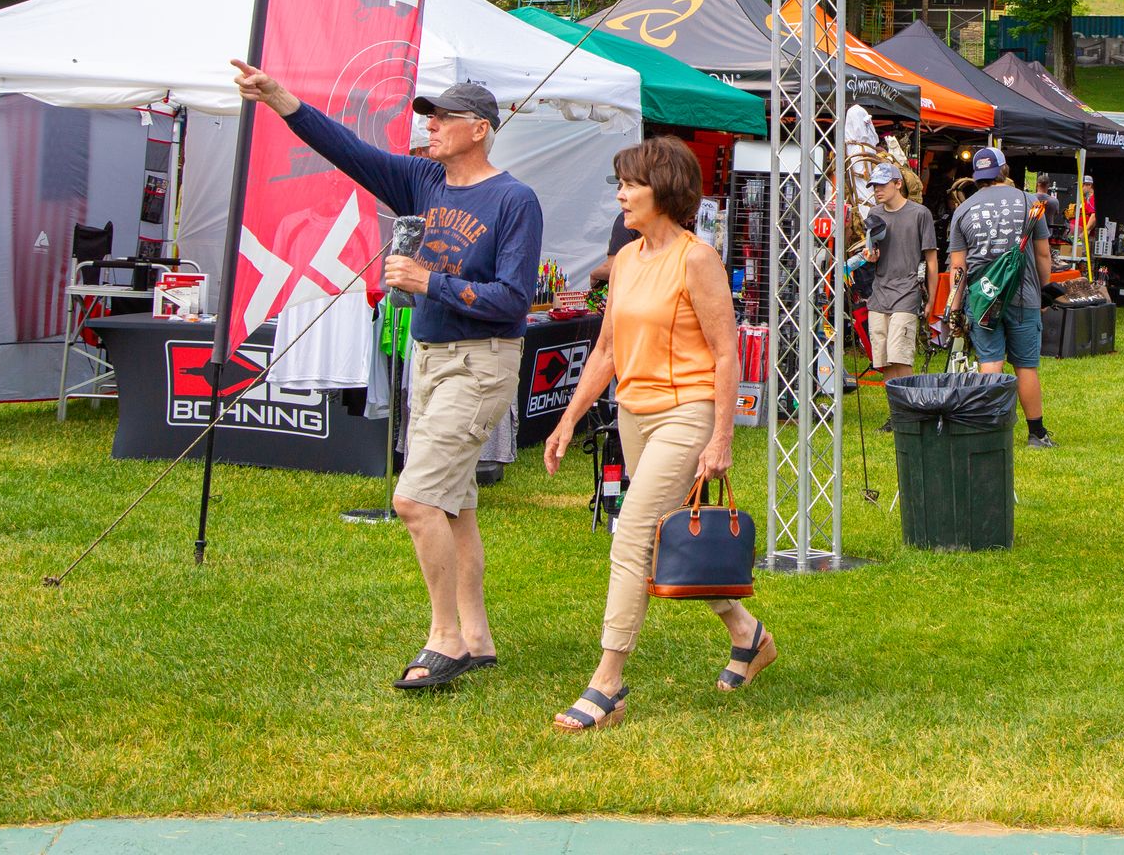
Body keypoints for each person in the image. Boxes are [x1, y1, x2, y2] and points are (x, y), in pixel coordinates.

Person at [231, 65, 542, 691]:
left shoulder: (514, 200)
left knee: (415, 499)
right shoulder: (425, 180)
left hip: (479, 361)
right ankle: (477, 638)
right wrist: (281, 100)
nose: (429, 125)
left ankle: (444, 639)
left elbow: (514, 299)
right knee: (455, 506)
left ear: (479, 130)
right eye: (429, 115)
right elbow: (349, 151)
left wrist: (432, 282)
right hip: (429, 356)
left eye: (443, 117)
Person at [543, 137, 771, 731]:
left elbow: (727, 355)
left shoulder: (697, 258)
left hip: (687, 412)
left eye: (631, 184)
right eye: (620, 182)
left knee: (632, 535)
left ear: (664, 191)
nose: (620, 194)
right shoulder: (624, 260)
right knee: (664, 544)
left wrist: (720, 437)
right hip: (633, 412)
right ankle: (748, 636)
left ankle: (608, 683)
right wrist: (568, 419)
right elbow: (607, 351)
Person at [948, 146, 1057, 447]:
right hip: (1025, 296)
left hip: (982, 299)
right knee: (1025, 365)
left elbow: (958, 268)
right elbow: (1043, 253)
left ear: (977, 176)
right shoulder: (1030, 202)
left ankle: (989, 430)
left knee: (990, 362)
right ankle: (1036, 433)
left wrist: (955, 310)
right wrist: (1044, 292)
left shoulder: (963, 210)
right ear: (1004, 170)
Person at [863, 162, 938, 385]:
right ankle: (896, 414)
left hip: (907, 292)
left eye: (882, 185)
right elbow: (872, 248)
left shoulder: (919, 213)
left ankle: (911, 410)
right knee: (883, 359)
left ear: (898, 184)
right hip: (879, 294)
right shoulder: (874, 213)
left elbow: (932, 260)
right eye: (874, 185)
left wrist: (931, 300)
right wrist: (870, 255)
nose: (877, 190)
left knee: (900, 355)